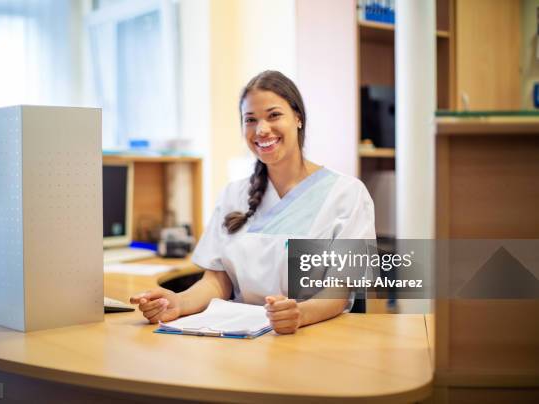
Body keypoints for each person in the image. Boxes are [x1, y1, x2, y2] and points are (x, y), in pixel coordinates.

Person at [131, 70, 375, 334]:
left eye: (274, 115)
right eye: (250, 120)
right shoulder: (233, 195)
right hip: (239, 336)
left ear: (298, 118)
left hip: (312, 335)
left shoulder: (346, 193)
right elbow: (217, 280)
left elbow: (339, 292)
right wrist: (179, 302)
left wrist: (299, 315)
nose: (261, 129)